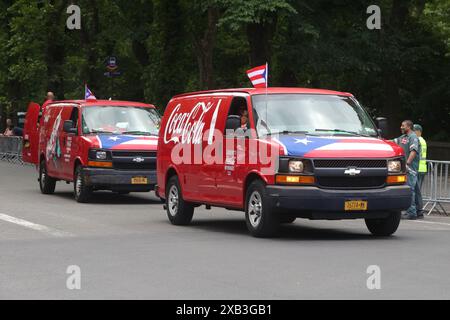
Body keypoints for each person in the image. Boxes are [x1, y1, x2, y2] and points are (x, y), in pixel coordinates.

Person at [393, 120, 421, 220]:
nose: (401, 127)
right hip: (407, 168)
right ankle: (419, 211)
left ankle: (412, 212)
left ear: (409, 127)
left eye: (403, 125)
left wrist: (407, 163)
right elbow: (392, 141)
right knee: (415, 190)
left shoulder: (413, 137)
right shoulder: (403, 137)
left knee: (410, 189)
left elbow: (413, 151)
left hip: (410, 168)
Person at [414, 124, 427, 218]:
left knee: (416, 191)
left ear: (419, 131)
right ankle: (418, 211)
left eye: (414, 131)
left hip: (418, 168)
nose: (413, 132)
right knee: (416, 191)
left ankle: (418, 211)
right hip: (421, 168)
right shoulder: (423, 140)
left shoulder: (418, 140)